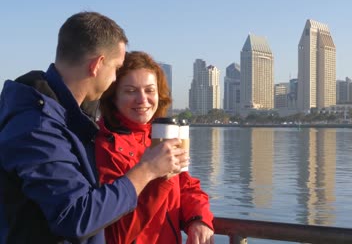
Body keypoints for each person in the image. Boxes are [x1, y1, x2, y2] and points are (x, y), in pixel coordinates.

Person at [0, 12, 188, 243]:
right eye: (116, 68)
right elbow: (75, 216)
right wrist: (148, 170)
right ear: (97, 64)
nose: (114, 79)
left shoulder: (68, 119)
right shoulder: (37, 126)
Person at [95, 51, 214, 244]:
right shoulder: (105, 146)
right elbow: (116, 233)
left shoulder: (161, 138)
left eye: (150, 90)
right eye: (130, 91)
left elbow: (186, 186)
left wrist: (198, 219)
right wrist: (158, 177)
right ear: (113, 97)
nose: (142, 100)